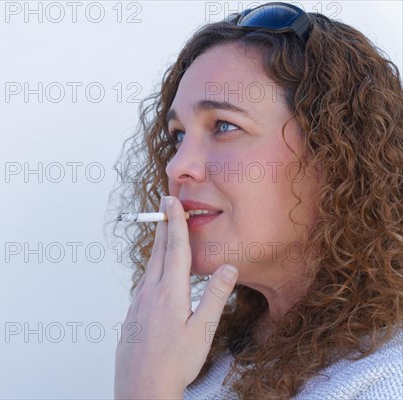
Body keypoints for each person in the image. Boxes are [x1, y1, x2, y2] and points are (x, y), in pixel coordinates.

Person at [107, 2, 402, 399]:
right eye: (178, 135)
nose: (178, 166)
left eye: (224, 125)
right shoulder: (212, 355)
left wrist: (145, 390)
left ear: (335, 156)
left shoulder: (383, 381)